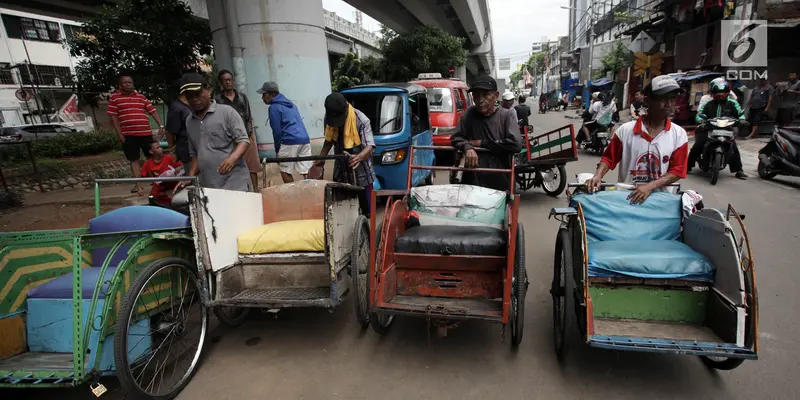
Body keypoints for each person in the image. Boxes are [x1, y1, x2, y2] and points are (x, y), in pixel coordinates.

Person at [585, 75, 689, 204]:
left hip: (662, 202)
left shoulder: (679, 134)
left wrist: (650, 186)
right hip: (627, 199)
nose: (668, 104)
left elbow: (678, 170)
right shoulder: (625, 130)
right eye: (663, 99)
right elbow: (608, 159)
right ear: (647, 100)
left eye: (672, 99)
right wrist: (598, 175)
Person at [174, 73, 252, 193]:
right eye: (190, 96)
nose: (195, 99)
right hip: (209, 187)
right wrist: (190, 177)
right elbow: (196, 154)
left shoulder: (227, 112)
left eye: (198, 94)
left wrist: (232, 159)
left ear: (208, 90)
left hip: (235, 183)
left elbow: (243, 141)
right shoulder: (189, 121)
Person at [451, 75, 522, 192]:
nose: (480, 100)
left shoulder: (506, 116)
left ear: (496, 96)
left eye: (485, 95)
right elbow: (456, 137)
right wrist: (467, 147)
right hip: (472, 182)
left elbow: (516, 144)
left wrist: (482, 143)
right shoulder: (469, 114)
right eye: (476, 96)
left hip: (500, 182)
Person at [315, 92, 376, 211]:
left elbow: (370, 145)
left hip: (360, 167)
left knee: (366, 208)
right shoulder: (329, 118)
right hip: (340, 165)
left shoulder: (361, 120)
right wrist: (321, 158)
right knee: (340, 205)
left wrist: (359, 157)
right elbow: (329, 141)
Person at [107, 72, 165, 194]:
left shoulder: (141, 97)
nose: (128, 84)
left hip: (145, 132)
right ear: (120, 84)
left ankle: (157, 183)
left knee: (152, 157)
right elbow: (113, 118)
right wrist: (120, 134)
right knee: (133, 159)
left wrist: (160, 125)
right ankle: (138, 185)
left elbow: (152, 111)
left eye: (130, 82)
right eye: (125, 82)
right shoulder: (115, 98)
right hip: (129, 134)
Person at [691, 80, 748, 179]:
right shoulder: (708, 104)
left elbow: (740, 113)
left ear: (727, 93)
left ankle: (739, 170)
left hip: (726, 129)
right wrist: (700, 120)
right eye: (717, 94)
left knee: (733, 148)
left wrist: (742, 120)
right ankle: (687, 166)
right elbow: (699, 114)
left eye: (722, 93)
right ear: (713, 94)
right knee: (698, 145)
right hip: (708, 128)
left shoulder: (733, 103)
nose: (720, 95)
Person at [257, 81, 312, 183]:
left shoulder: (274, 107)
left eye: (264, 95)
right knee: (306, 170)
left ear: (272, 94)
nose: (262, 98)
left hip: (289, 140)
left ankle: (293, 195)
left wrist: (278, 150)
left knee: (285, 170)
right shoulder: (291, 105)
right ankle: (310, 192)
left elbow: (277, 131)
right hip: (305, 139)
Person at [214, 70, 260, 190]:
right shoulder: (218, 100)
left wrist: (249, 134)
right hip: (228, 139)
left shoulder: (242, 97)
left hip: (245, 135)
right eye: (225, 80)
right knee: (232, 165)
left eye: (230, 79)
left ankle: (255, 190)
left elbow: (248, 117)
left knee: (252, 166)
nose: (228, 82)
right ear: (221, 83)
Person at [140, 141, 182, 206]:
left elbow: (180, 165)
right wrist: (139, 188)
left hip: (172, 183)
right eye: (157, 148)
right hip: (159, 186)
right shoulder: (148, 163)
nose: (161, 149)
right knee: (152, 197)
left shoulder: (169, 158)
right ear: (151, 152)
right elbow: (141, 176)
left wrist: (177, 169)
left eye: (160, 147)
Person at [166, 80, 193, 171]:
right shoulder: (177, 108)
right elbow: (169, 131)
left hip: (196, 146)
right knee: (192, 175)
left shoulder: (192, 104)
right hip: (185, 148)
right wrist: (172, 149)